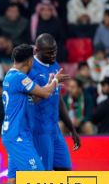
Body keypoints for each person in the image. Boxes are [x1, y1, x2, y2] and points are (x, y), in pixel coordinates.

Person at [0, 43, 61, 184]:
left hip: (14, 135)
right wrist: (55, 81)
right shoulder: (19, 78)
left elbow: (33, 99)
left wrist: (50, 84)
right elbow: (46, 93)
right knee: (38, 176)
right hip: (18, 137)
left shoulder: (9, 76)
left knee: (13, 180)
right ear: (30, 61)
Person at [30, 34, 79, 174]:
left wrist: (72, 129)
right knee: (42, 179)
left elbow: (58, 99)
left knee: (65, 173)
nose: (53, 55)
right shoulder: (30, 70)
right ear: (37, 51)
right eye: (49, 52)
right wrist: (49, 86)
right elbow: (27, 102)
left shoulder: (55, 65)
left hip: (55, 129)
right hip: (39, 131)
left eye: (55, 51)